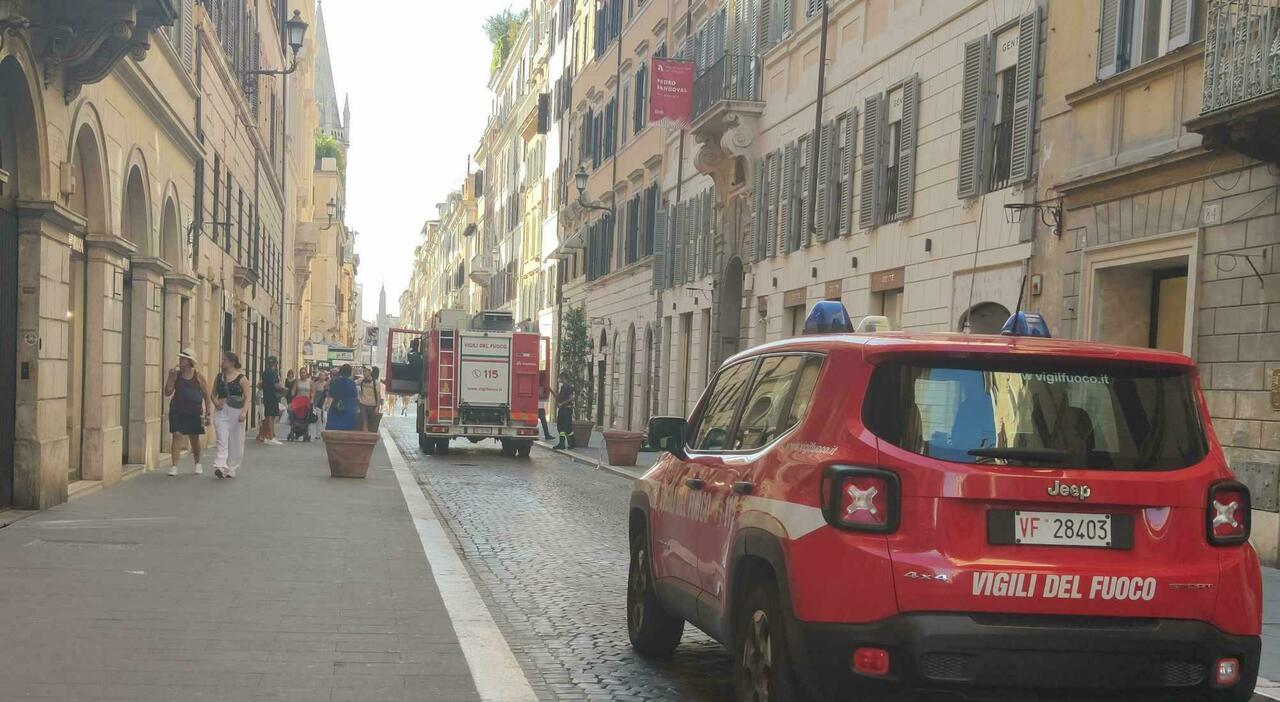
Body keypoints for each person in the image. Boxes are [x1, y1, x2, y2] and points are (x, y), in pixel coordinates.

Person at [164, 349, 212, 476]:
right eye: (180, 359)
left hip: (194, 411)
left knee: (194, 438)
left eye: (183, 359)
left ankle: (197, 463)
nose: (180, 361)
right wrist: (170, 378)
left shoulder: (198, 376)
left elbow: (207, 395)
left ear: (189, 361)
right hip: (177, 410)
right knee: (177, 434)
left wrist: (208, 413)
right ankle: (174, 466)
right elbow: (167, 392)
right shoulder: (176, 375)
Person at [212, 351, 250, 479]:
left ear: (232, 362)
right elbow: (213, 394)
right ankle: (220, 465)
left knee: (236, 440)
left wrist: (244, 412)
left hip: (236, 411)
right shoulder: (219, 377)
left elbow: (247, 397)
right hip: (221, 410)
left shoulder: (242, 379)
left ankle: (232, 467)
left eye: (224, 360)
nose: (222, 362)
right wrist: (216, 403)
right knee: (221, 438)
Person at [257, 356, 284, 445]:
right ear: (276, 363)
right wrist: (283, 388)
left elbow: (260, 384)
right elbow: (276, 385)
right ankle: (271, 437)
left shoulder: (265, 373)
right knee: (271, 416)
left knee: (268, 415)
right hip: (273, 396)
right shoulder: (274, 373)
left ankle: (265, 435)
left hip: (266, 395)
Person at [325, 364, 360, 431]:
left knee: (334, 428)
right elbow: (355, 395)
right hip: (349, 407)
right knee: (348, 429)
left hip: (336, 406)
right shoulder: (352, 383)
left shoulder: (334, 381)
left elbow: (331, 394)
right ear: (349, 372)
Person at [548, 376, 575, 449]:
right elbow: (558, 397)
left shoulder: (568, 387)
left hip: (567, 409)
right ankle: (562, 443)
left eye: (559, 378)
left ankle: (572, 443)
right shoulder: (563, 387)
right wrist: (551, 391)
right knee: (561, 427)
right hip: (563, 409)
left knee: (567, 427)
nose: (558, 379)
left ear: (563, 378)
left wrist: (561, 404)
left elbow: (571, 398)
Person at [358, 366, 383, 431]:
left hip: (372, 405)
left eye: (365, 371)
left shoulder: (376, 383)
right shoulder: (361, 380)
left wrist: (377, 407)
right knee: (364, 424)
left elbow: (378, 396)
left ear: (370, 372)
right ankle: (365, 437)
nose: (364, 373)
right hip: (363, 404)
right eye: (363, 371)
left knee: (371, 424)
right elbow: (353, 383)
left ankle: (369, 437)